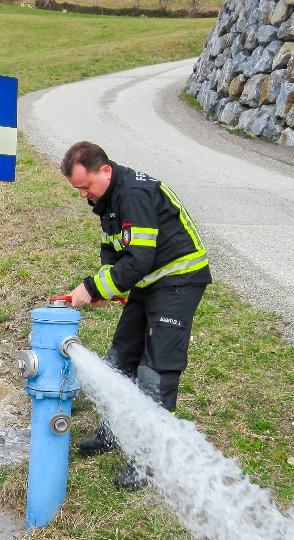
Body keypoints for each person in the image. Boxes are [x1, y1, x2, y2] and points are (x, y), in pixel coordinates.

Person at [60, 141, 211, 490]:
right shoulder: (107, 199)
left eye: (85, 186)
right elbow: (113, 252)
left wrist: (91, 288)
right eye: (78, 189)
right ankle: (114, 433)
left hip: (178, 281)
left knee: (154, 373)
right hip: (149, 281)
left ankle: (149, 461)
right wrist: (106, 288)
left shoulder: (133, 195)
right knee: (120, 359)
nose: (83, 195)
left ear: (105, 171)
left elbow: (140, 259)